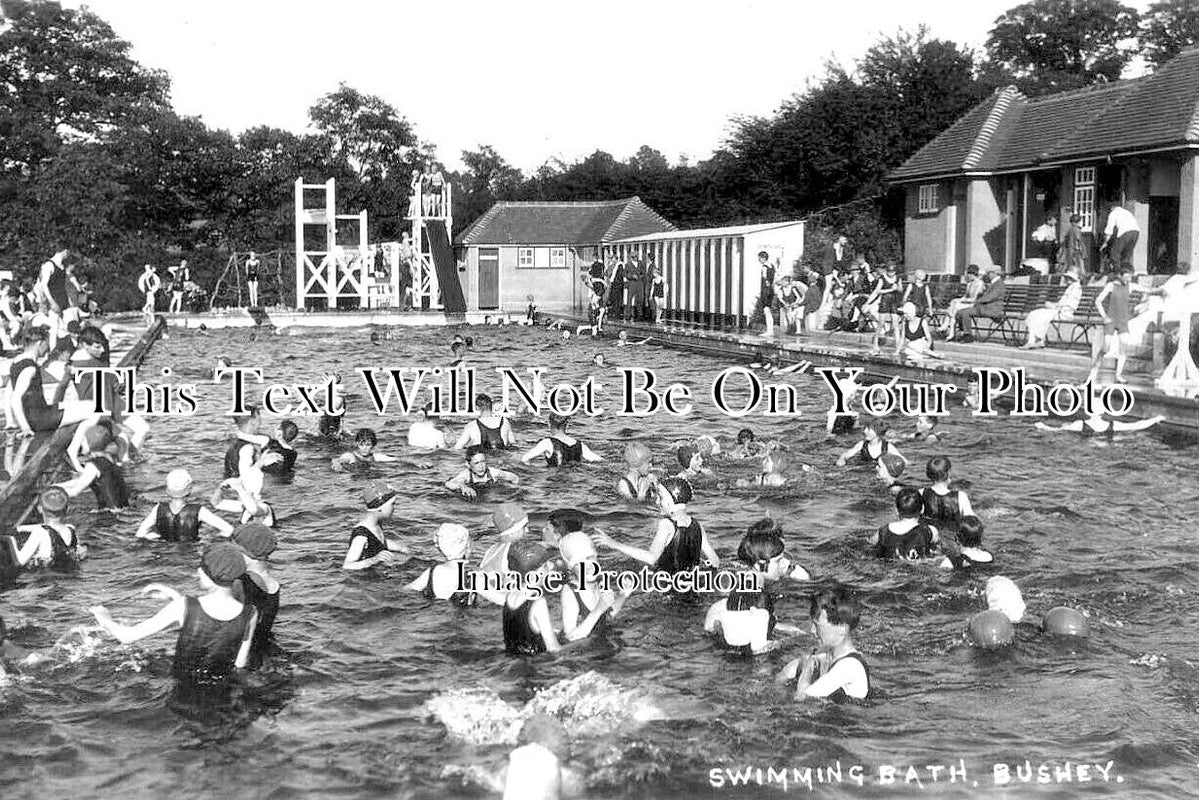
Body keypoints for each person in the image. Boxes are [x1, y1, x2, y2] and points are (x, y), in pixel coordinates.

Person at [90, 543, 258, 684]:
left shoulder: (183, 606)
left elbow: (127, 636)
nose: (198, 571)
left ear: (207, 575)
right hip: (222, 687)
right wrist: (173, 594)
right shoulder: (250, 612)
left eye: (202, 567)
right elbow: (240, 663)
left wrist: (105, 619)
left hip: (182, 686)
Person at [704, 523, 809, 655]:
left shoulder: (747, 578)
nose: (782, 565)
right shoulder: (756, 589)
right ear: (760, 563)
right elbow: (756, 637)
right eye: (777, 561)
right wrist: (791, 637)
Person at [593, 477, 720, 575]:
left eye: (661, 498)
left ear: (671, 502)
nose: (657, 502)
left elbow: (651, 558)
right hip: (693, 589)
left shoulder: (666, 525)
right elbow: (715, 562)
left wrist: (614, 544)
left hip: (668, 591)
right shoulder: (697, 525)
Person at [777, 588, 871, 703]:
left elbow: (803, 696)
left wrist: (807, 667)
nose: (812, 630)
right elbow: (787, 672)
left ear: (842, 628)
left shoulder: (850, 666)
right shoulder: (825, 652)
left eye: (817, 626)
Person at [8, 325, 99, 434]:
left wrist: (10, 421)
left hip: (39, 414)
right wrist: (25, 429)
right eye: (47, 343)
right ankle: (75, 448)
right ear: (39, 343)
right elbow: (15, 398)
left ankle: (80, 444)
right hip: (41, 420)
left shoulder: (16, 362)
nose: (48, 347)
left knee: (88, 404)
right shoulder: (30, 368)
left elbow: (8, 393)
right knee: (96, 410)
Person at [230, 523, 280, 669]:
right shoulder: (273, 584)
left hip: (239, 652)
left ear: (246, 553)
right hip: (259, 650)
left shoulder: (241, 582)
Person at [1087, 266, 1149, 384]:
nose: (1128, 279)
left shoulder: (1130, 286)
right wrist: (1104, 316)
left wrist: (1161, 290)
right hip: (1111, 320)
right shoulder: (1111, 285)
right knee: (1105, 348)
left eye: (1130, 277)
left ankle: (1118, 375)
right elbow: (1098, 301)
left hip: (1122, 321)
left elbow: (1147, 290)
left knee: (1123, 348)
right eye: (1126, 277)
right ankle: (1093, 373)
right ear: (1120, 276)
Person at [135, 468, 233, 541]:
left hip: (165, 553)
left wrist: (156, 537)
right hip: (190, 554)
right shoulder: (199, 511)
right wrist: (208, 538)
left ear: (167, 490)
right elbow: (229, 530)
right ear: (189, 490)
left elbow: (140, 534)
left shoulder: (158, 509)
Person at [502, 542, 562, 656]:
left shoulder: (511, 595)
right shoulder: (538, 602)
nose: (551, 567)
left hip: (512, 661)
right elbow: (553, 648)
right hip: (536, 666)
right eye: (545, 566)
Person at [1, 488, 79, 570]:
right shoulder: (71, 529)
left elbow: (20, 561)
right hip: (69, 577)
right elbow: (50, 529)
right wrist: (20, 528)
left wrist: (9, 539)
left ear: (39, 509)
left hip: (45, 580)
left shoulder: (39, 532)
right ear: (67, 509)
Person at [404, 523, 476, 605]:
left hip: (432, 612)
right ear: (467, 547)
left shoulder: (432, 571)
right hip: (461, 616)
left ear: (440, 548)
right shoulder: (470, 576)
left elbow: (409, 588)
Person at [343, 482, 409, 570]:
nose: (394, 507)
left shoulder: (375, 524)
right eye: (392, 504)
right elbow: (347, 565)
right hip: (363, 580)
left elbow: (376, 542)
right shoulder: (361, 535)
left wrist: (401, 548)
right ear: (380, 507)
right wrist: (374, 559)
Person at [870, 487, 940, 561]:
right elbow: (939, 552)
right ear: (922, 509)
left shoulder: (882, 531)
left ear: (896, 510)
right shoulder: (930, 531)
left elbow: (871, 545)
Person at [1023, 269, 1082, 349]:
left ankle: (1034, 341)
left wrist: (1053, 305)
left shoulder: (1076, 289)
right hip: (1058, 311)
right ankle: (1037, 340)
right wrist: (1053, 305)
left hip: (1064, 313)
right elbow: (1063, 302)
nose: (1065, 280)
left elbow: (1070, 305)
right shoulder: (1072, 287)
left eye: (1067, 278)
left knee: (1036, 314)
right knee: (1034, 314)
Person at [520, 413, 603, 466]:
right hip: (575, 483)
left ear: (549, 424)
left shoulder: (547, 443)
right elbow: (598, 460)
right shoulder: (579, 445)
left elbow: (524, 459)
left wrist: (535, 470)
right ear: (567, 425)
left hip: (555, 484)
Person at [445, 445, 519, 500]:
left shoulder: (493, 473)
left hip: (491, 496)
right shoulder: (466, 475)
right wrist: (463, 486)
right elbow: (449, 484)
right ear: (468, 464)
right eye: (476, 463)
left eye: (483, 462)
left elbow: (514, 478)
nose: (481, 466)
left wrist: (514, 491)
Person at [920, 456, 974, 531]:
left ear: (928, 474)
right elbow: (971, 521)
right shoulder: (961, 496)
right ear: (948, 473)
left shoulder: (922, 493)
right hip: (953, 537)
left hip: (929, 534)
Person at [953, 271, 1005, 342]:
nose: (988, 275)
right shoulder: (994, 283)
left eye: (989, 273)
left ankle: (968, 335)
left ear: (994, 273)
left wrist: (976, 302)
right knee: (959, 312)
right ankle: (963, 333)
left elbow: (990, 297)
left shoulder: (999, 284)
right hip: (985, 308)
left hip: (992, 309)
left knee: (965, 312)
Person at [836, 418, 905, 469]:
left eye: (868, 429)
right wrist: (841, 459)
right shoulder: (862, 444)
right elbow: (846, 455)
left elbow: (903, 460)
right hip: (864, 472)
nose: (865, 431)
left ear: (877, 432)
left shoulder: (887, 446)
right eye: (865, 429)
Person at [37, 248, 72, 349]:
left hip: (62, 298)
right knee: (54, 328)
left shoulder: (62, 266)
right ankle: (53, 351)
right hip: (53, 299)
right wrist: (51, 302)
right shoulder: (49, 265)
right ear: (63, 250)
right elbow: (43, 285)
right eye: (67, 251)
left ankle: (66, 348)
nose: (68, 254)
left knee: (66, 326)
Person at [941, 265, 985, 339]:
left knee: (955, 307)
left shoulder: (979, 283)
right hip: (967, 303)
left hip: (974, 305)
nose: (967, 276)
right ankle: (950, 331)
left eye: (969, 274)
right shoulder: (969, 284)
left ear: (973, 274)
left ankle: (948, 328)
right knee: (953, 304)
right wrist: (957, 300)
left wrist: (961, 301)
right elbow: (965, 296)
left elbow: (974, 299)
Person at [1034, 411, 1165, 436]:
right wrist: (1155, 419)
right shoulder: (1113, 425)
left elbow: (1056, 431)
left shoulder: (1080, 424)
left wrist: (1043, 426)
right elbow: (1137, 425)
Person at [865, 263, 901, 354]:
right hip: (885, 300)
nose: (891, 274)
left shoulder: (897, 278)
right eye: (889, 272)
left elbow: (900, 290)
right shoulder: (882, 278)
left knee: (896, 324)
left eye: (893, 272)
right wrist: (890, 289)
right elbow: (878, 291)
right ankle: (875, 344)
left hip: (894, 301)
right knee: (881, 323)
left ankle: (897, 347)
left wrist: (897, 288)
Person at [331, 428, 398, 471]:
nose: (364, 448)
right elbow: (338, 460)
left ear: (373, 445)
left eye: (368, 445)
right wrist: (337, 464)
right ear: (357, 444)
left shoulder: (375, 457)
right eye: (361, 445)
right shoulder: (350, 456)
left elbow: (395, 460)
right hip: (354, 479)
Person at [1101, 201, 1139, 274]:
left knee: (1114, 253)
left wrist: (1105, 243)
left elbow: (1109, 230)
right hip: (1136, 232)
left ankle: (1117, 273)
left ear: (1111, 208)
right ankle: (1128, 272)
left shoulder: (1113, 213)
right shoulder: (1127, 212)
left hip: (1125, 232)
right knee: (1127, 254)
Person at [1062, 214, 1086, 279]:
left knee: (1070, 266)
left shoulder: (1069, 230)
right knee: (1079, 267)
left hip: (1070, 251)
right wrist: (1082, 251)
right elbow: (1078, 241)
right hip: (1076, 251)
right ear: (1078, 222)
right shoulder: (1076, 230)